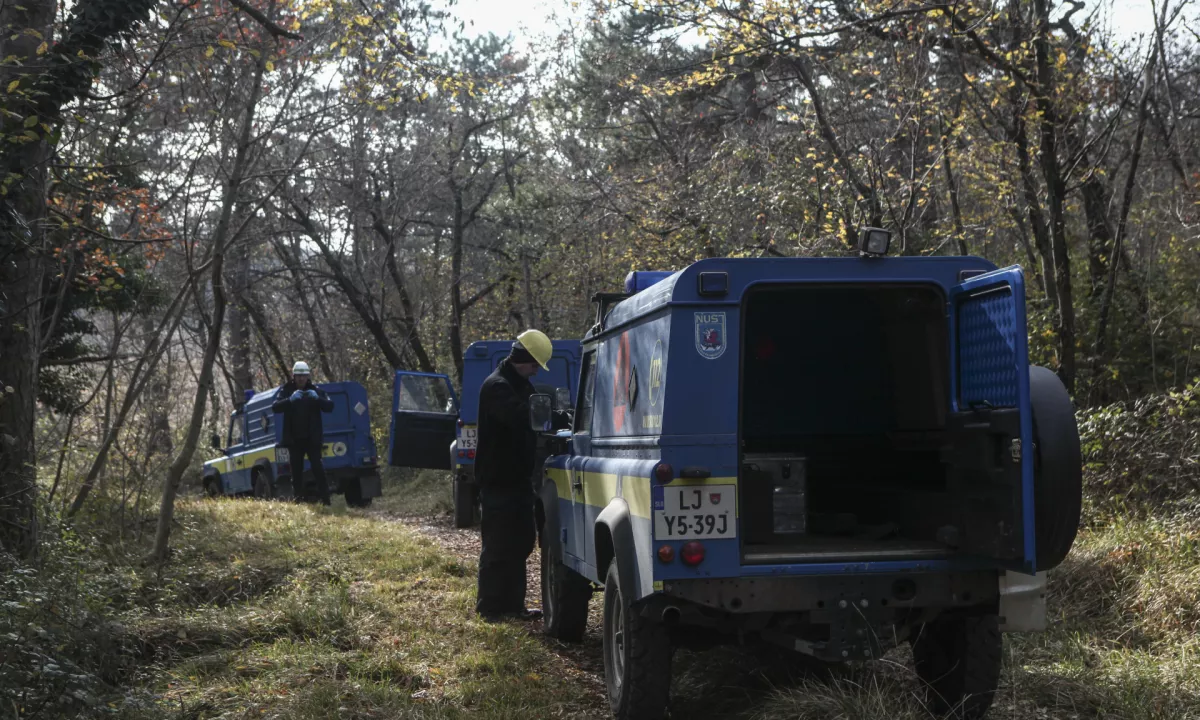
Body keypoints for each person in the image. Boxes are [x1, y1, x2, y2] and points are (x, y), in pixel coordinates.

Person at [474, 329, 557, 622]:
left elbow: (534, 415)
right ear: (524, 358)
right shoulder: (497, 387)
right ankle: (490, 608)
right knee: (498, 544)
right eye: (535, 364)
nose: (536, 371)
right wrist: (548, 417)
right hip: (498, 480)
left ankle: (513, 606)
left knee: (521, 542)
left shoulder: (521, 386)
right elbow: (520, 417)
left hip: (519, 479)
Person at [272, 361, 334, 505]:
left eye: (304, 376)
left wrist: (318, 399)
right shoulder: (286, 391)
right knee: (296, 473)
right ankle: (298, 502)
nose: (301, 379)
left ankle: (326, 501)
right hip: (294, 440)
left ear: (308, 376)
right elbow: (275, 407)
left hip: (312, 439)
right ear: (293, 376)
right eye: (298, 376)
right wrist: (290, 400)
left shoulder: (315, 390)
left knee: (318, 469)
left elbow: (330, 406)